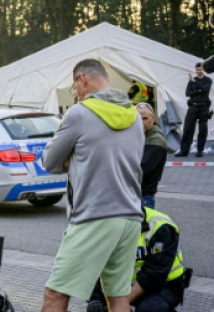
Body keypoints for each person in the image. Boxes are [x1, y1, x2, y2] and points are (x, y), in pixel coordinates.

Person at [41, 58, 144, 312]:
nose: (75, 93)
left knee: (54, 294)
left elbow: (49, 161)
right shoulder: (135, 115)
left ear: (82, 80)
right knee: (118, 298)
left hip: (94, 216)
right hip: (130, 217)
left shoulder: (79, 113)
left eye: (74, 87)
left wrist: (72, 158)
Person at [86, 206, 186, 312]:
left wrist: (118, 305)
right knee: (96, 309)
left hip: (164, 285)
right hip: (123, 285)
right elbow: (98, 265)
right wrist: (95, 298)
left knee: (150, 309)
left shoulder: (161, 227)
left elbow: (154, 275)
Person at [176, 62, 211, 157]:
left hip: (204, 107)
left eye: (200, 70)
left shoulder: (207, 80)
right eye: (197, 70)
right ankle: (184, 151)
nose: (199, 71)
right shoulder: (191, 81)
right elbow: (187, 93)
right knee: (188, 128)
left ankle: (200, 150)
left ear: (203, 70)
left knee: (202, 129)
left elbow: (205, 89)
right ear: (195, 70)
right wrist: (198, 90)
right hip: (193, 107)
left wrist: (195, 84)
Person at [138, 103, 167, 209]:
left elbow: (141, 169)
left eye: (145, 118)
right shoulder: (139, 136)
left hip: (143, 195)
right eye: (137, 118)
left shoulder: (156, 141)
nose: (141, 123)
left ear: (153, 118)